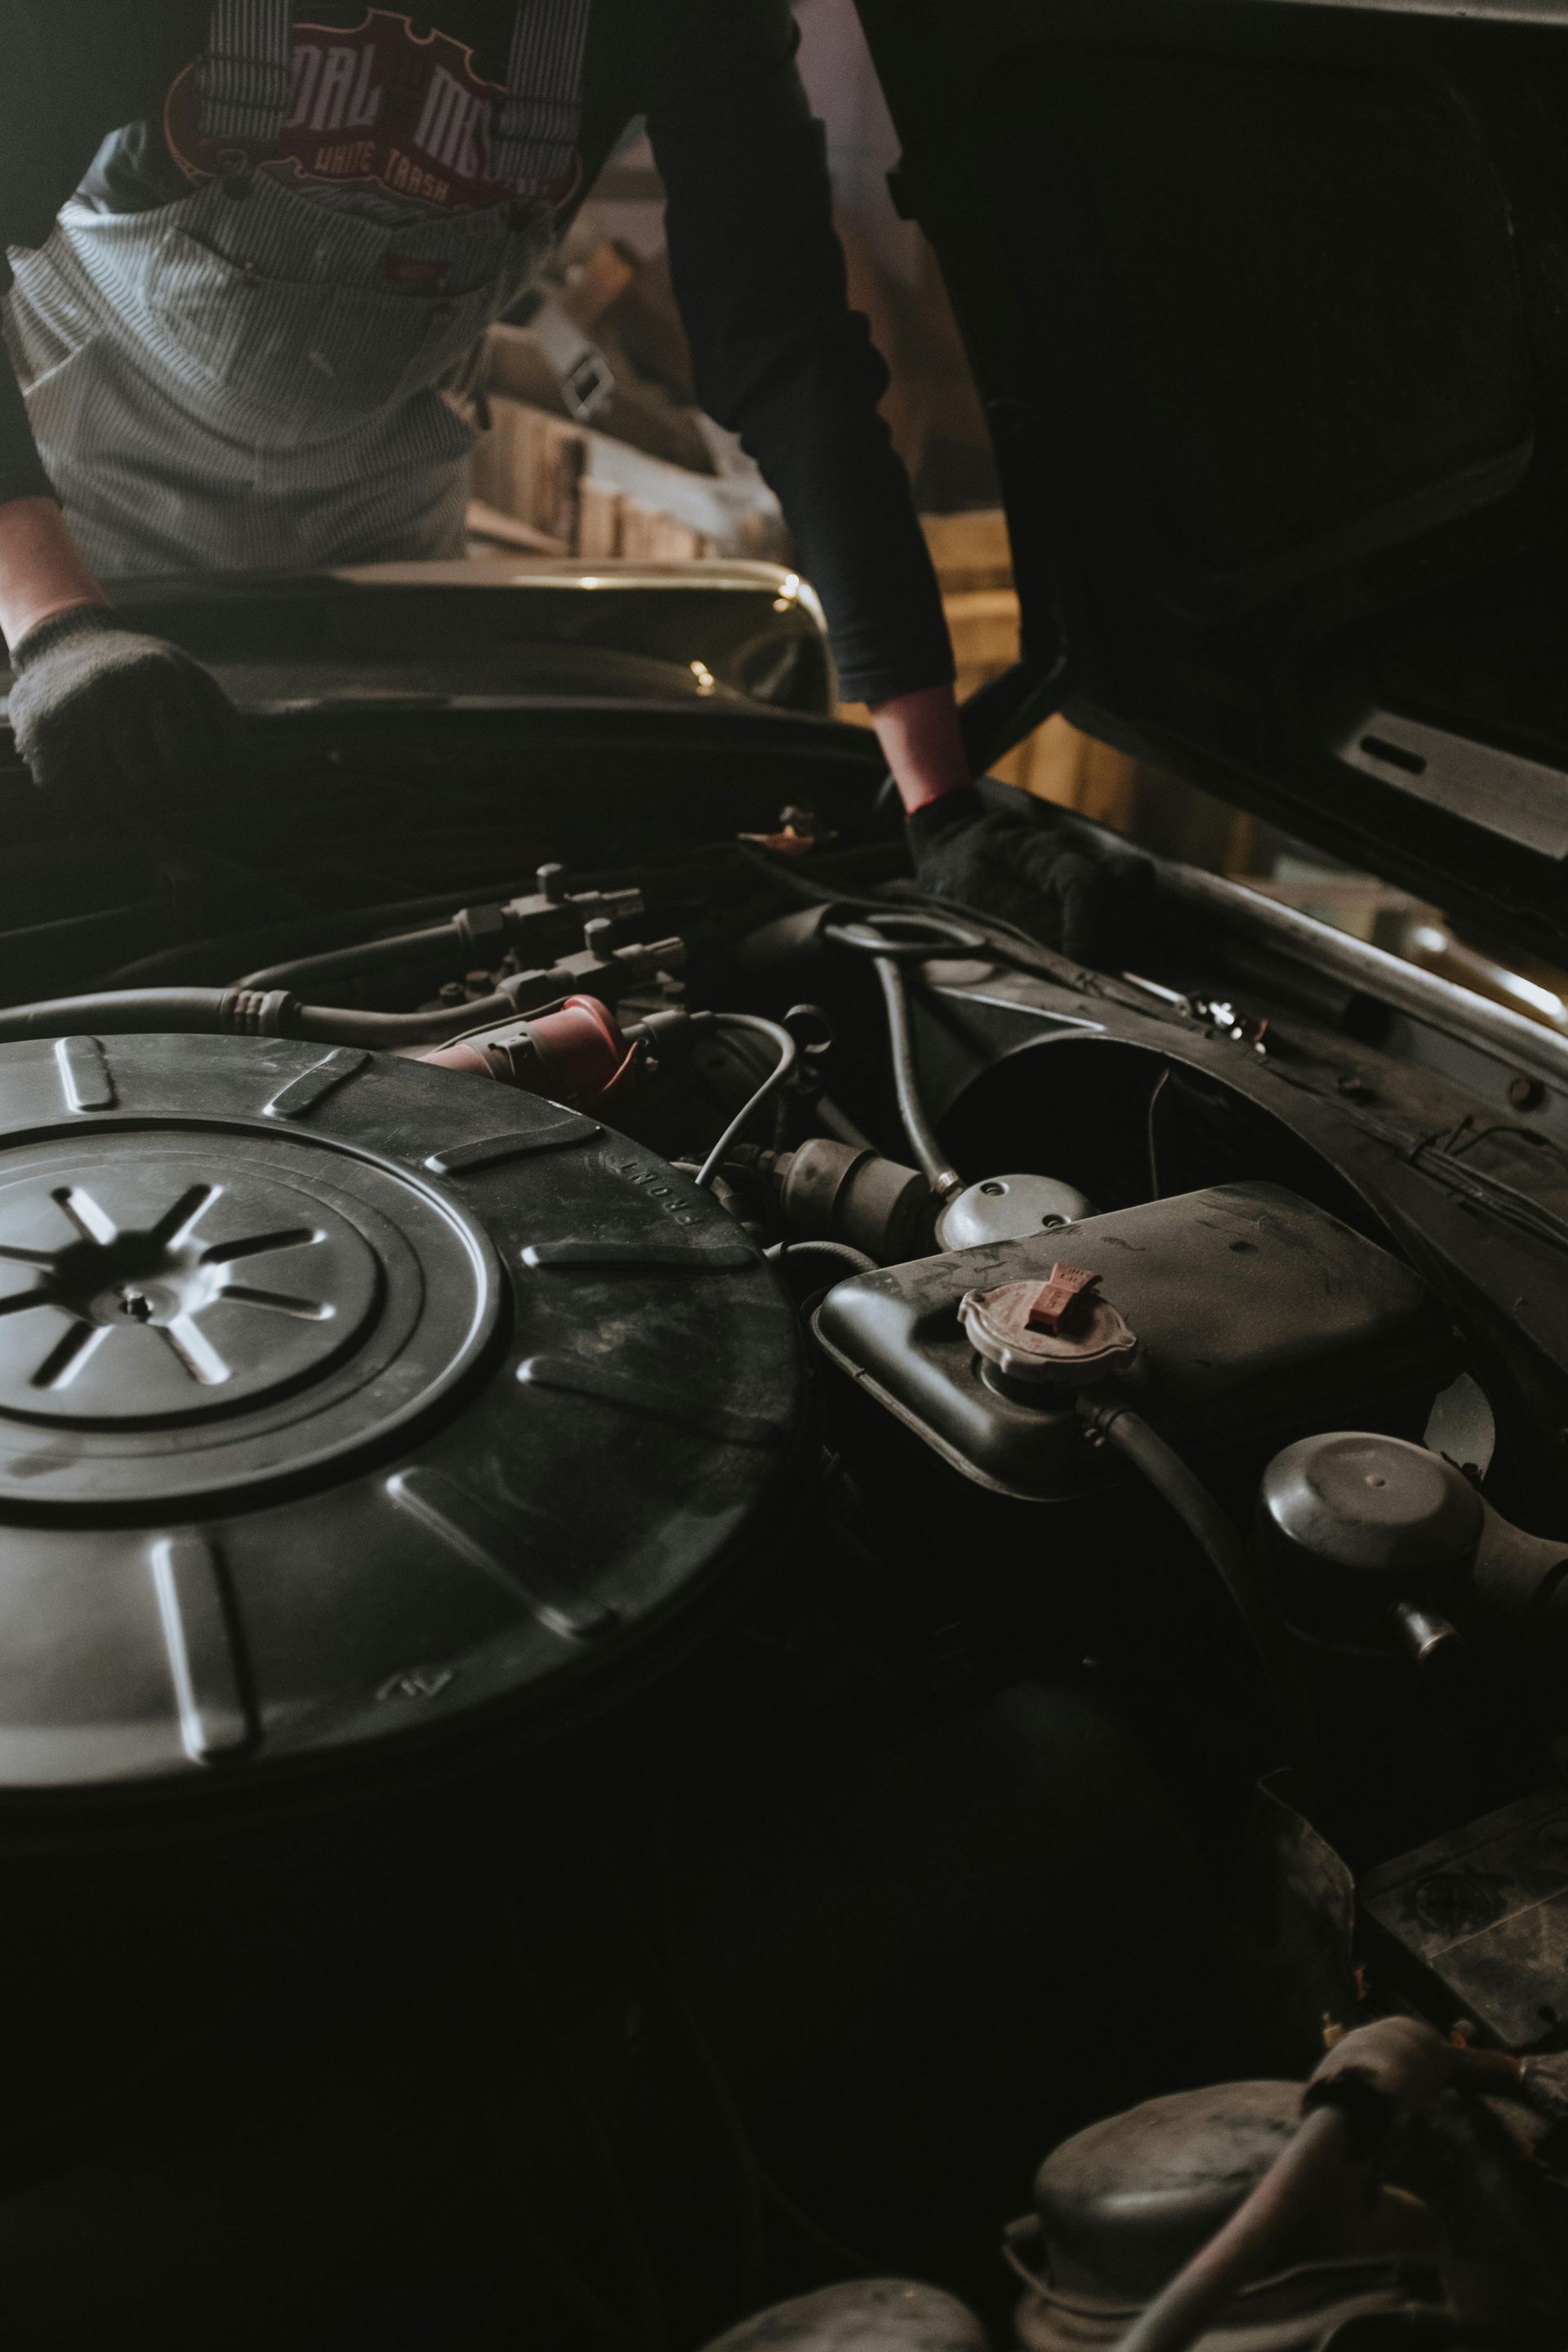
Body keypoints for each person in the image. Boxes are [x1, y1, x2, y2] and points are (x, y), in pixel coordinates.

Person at [0, 1, 1111, 952]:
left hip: (379, 544)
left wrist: (939, 796)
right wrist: (55, 627)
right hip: (63, 525)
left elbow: (791, 352)